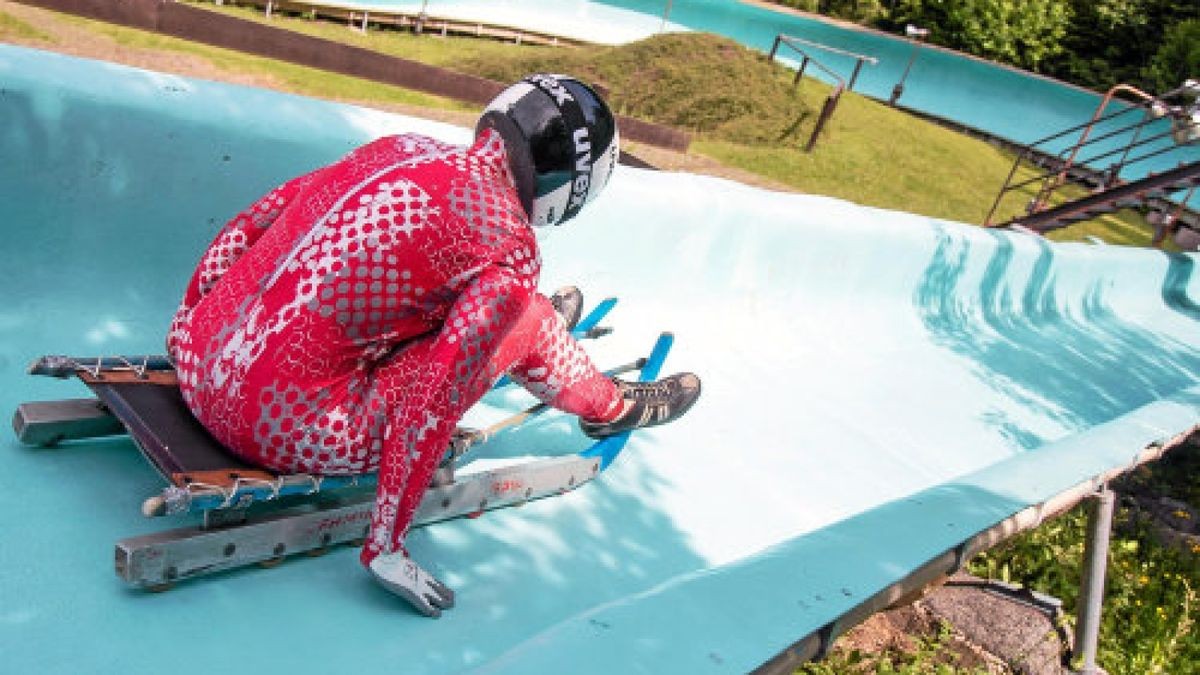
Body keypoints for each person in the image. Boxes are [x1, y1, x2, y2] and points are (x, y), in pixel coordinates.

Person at [165, 74, 701, 617]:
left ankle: (515, 336)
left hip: (197, 355)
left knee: (457, 293)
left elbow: (253, 221)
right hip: (277, 425)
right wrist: (387, 545)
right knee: (527, 312)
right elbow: (434, 397)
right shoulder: (511, 246)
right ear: (574, 183)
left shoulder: (400, 147)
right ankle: (605, 404)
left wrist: (192, 317)